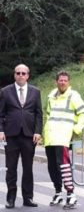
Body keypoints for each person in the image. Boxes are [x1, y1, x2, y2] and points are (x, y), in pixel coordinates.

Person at [43, 71, 84, 210]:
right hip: (50, 137)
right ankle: (58, 192)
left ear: (68, 82)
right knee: (52, 167)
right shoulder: (51, 96)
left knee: (63, 166)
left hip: (63, 136)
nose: (62, 82)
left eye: (65, 80)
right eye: (60, 80)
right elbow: (49, 115)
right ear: (56, 82)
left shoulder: (73, 96)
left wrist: (76, 129)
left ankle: (71, 194)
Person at [0, 64, 43, 209]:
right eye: (18, 73)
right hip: (11, 135)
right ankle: (11, 198)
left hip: (29, 135)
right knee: (11, 168)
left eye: (23, 73)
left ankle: (28, 198)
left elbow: (38, 114)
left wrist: (38, 131)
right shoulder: (5, 91)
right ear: (14, 75)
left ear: (28, 75)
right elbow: (1, 113)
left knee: (28, 168)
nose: (20, 75)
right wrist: (1, 130)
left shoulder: (35, 92)